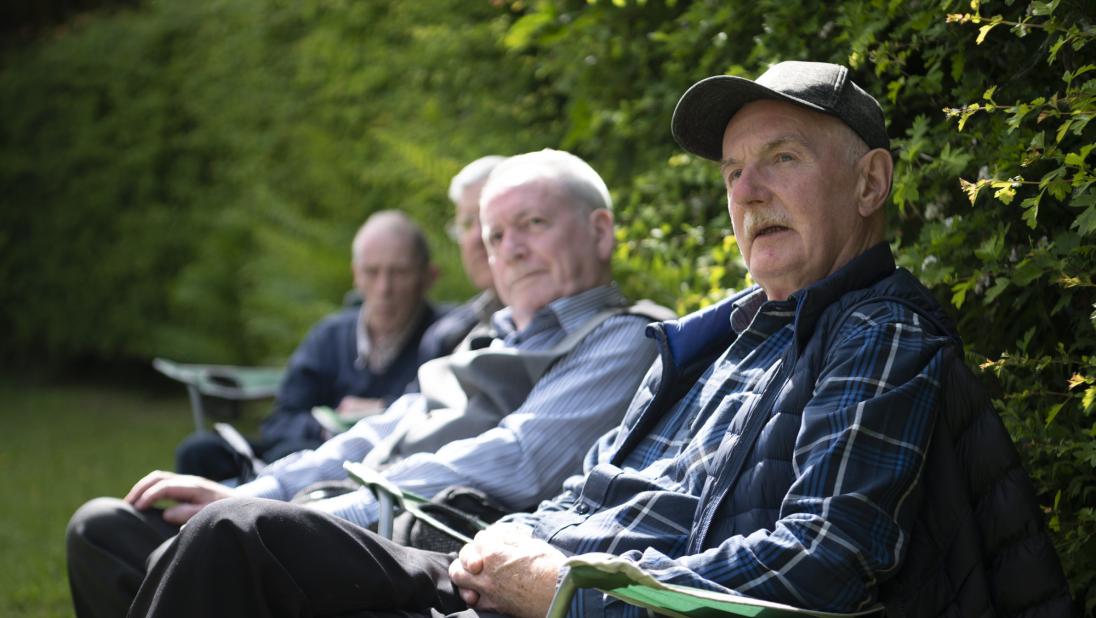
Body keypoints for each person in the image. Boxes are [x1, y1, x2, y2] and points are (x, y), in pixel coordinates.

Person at [112, 62, 1069, 618]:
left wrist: (568, 589)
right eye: (735, 172)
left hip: (583, 607)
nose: (748, 190)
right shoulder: (723, 340)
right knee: (156, 539)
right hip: (501, 573)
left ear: (870, 185)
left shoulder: (876, 336)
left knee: (235, 542)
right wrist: (518, 543)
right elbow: (581, 485)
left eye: (783, 158)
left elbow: (825, 557)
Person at [67, 149, 666, 618]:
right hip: (351, 521)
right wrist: (266, 484)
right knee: (104, 529)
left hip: (440, 543)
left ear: (600, 232)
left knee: (228, 536)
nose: (511, 250)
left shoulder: (621, 338)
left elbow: (519, 458)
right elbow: (376, 431)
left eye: (533, 224)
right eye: (495, 235)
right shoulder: (485, 338)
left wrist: (317, 509)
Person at [173, 210, 445, 482]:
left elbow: (442, 422)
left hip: (375, 473)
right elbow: (279, 422)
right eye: (371, 272)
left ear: (427, 277)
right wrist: (326, 424)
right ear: (355, 275)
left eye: (399, 273)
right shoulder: (329, 336)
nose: (384, 288)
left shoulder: (444, 336)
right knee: (198, 451)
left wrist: (380, 412)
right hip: (301, 455)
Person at [417, 155, 507, 361]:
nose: (477, 236)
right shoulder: (447, 336)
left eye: (488, 219)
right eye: (466, 224)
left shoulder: (565, 324)